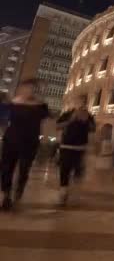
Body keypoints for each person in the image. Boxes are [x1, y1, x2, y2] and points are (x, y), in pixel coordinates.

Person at [0, 79, 50, 210]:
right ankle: (6, 195)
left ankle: (18, 192)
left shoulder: (40, 106)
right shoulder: (13, 104)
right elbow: (4, 119)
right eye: (26, 88)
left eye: (32, 88)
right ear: (21, 89)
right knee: (7, 169)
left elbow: (46, 118)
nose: (29, 90)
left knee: (24, 169)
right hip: (11, 141)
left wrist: (39, 99)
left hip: (30, 142)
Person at [56, 95, 96, 205]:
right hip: (66, 146)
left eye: (83, 102)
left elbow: (93, 130)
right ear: (75, 102)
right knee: (64, 170)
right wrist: (71, 120)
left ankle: (73, 193)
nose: (81, 104)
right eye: (79, 101)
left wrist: (87, 121)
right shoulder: (67, 114)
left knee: (78, 172)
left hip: (80, 148)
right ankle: (63, 191)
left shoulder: (89, 116)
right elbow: (58, 125)